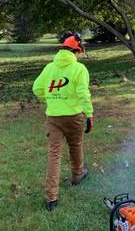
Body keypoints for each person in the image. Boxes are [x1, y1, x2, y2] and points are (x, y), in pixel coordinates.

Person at [32, 32, 94, 211]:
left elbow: (37, 88)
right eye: (79, 52)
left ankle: (51, 198)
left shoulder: (50, 67)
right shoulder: (79, 69)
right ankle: (77, 174)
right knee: (75, 145)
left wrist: (51, 99)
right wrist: (89, 114)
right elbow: (83, 94)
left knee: (54, 154)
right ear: (76, 51)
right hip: (74, 116)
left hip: (53, 117)